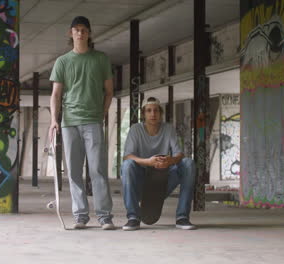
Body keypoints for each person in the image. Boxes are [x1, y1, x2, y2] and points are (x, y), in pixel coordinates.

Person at [49, 16, 115, 230]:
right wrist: (53, 120)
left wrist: (103, 113)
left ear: (89, 33)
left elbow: (109, 92)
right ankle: (80, 216)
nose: (80, 33)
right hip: (69, 123)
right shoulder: (62, 61)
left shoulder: (101, 59)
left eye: (84, 30)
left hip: (93, 122)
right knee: (74, 171)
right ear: (71, 33)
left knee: (97, 169)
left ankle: (105, 216)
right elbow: (56, 94)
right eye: (76, 30)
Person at [121, 97, 196, 231]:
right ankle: (133, 218)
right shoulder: (135, 129)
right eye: (149, 110)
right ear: (143, 114)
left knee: (188, 164)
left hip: (162, 179)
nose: (153, 114)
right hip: (141, 180)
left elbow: (179, 154)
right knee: (127, 165)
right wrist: (148, 162)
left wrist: (169, 161)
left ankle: (182, 217)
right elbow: (127, 156)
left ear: (161, 114)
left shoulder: (168, 129)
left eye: (156, 111)